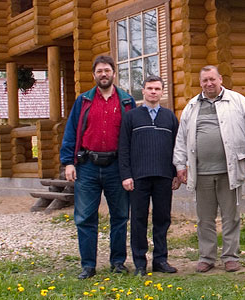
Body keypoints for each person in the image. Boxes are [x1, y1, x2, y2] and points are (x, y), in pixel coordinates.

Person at [173, 65, 245, 273]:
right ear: (200, 83)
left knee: (231, 216)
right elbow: (181, 138)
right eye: (205, 81)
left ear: (220, 79)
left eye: (212, 79)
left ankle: (230, 256)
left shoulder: (237, 101)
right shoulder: (192, 106)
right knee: (204, 218)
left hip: (229, 170)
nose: (209, 83)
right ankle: (207, 256)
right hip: (201, 172)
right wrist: (179, 165)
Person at [60, 55, 136, 279]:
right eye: (100, 71)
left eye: (107, 70)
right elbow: (71, 132)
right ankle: (88, 265)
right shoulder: (83, 101)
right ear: (94, 75)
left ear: (114, 73)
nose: (104, 74)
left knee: (120, 216)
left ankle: (118, 262)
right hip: (87, 167)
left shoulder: (126, 102)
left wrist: (130, 169)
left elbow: (132, 137)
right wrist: (68, 162)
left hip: (116, 168)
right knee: (85, 218)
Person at [119, 75, 180, 276]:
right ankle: (139, 263)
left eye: (157, 89)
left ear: (162, 92)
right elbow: (124, 148)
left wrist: (175, 173)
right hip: (138, 178)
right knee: (138, 220)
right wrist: (126, 175)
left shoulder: (169, 117)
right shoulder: (131, 117)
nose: (153, 92)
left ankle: (161, 260)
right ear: (143, 91)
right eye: (149, 88)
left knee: (162, 219)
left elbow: (176, 148)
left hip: (163, 176)